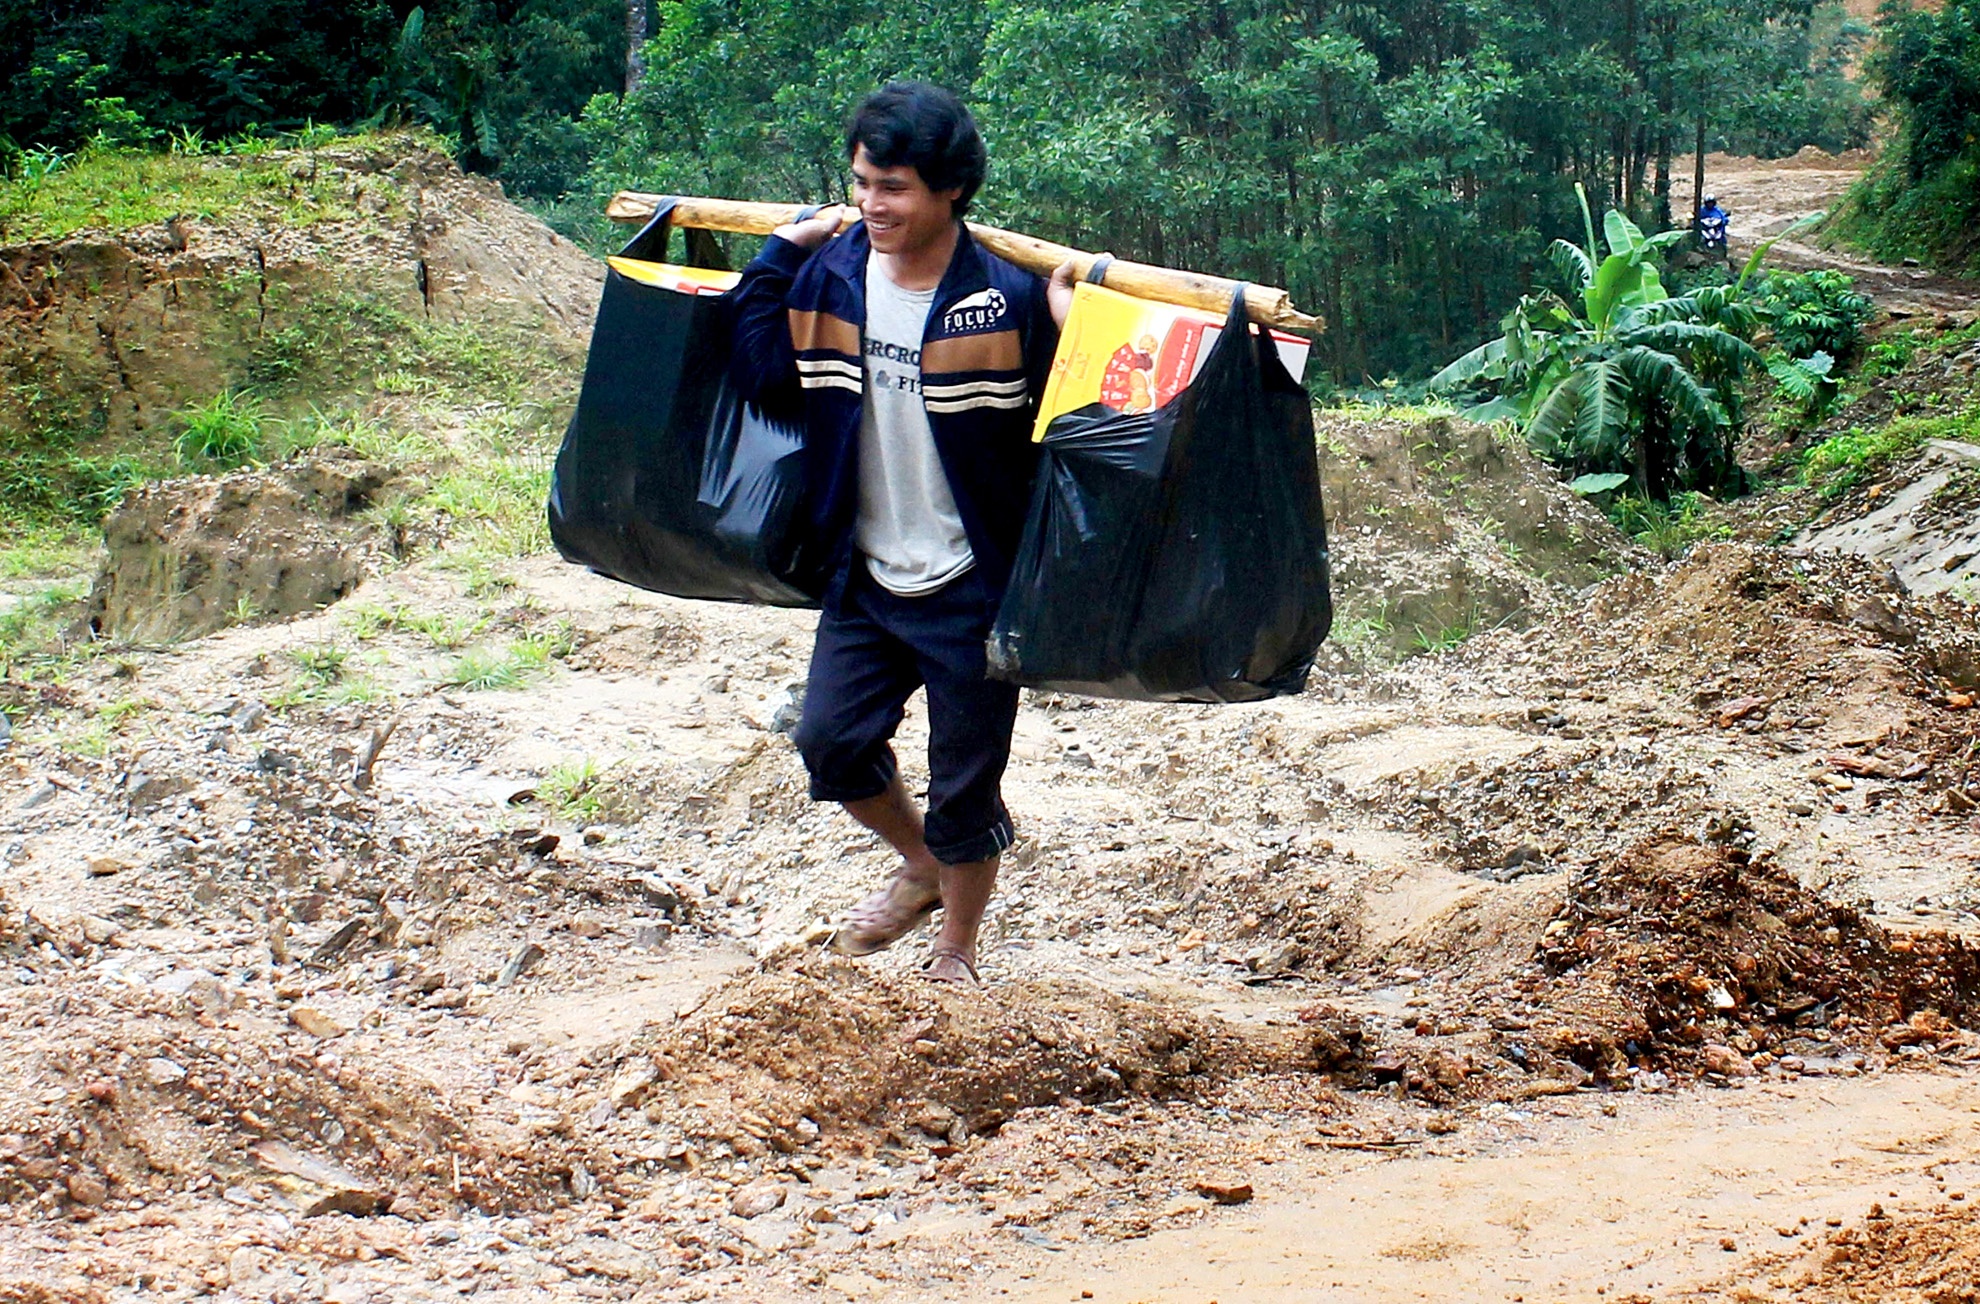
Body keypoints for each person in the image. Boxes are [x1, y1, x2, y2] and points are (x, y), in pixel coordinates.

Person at [731, 82, 1075, 986]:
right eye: (862, 185)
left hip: (972, 581)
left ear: (951, 189)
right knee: (830, 741)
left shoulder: (1006, 298)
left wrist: (1075, 336)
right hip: (866, 572)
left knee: (966, 779)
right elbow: (767, 380)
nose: (872, 207)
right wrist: (776, 257)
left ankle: (956, 953)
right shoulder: (834, 276)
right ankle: (918, 864)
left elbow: (1083, 436)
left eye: (894, 189)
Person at [1696, 193, 1730, 264]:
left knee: (1723, 238)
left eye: (1711, 203)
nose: (1710, 204)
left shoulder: (1717, 210)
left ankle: (1724, 252)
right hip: (1705, 228)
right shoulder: (1701, 210)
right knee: (1698, 236)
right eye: (1708, 203)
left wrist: (1724, 221)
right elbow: (1696, 217)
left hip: (1716, 229)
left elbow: (1724, 217)